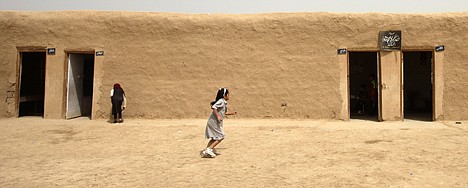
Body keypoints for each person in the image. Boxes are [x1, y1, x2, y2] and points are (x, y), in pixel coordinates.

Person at [201, 88, 237, 158]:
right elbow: (214, 107)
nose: (229, 96)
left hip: (215, 122)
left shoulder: (223, 102)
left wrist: (232, 113)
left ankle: (207, 150)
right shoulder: (221, 101)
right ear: (224, 95)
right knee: (221, 136)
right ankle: (209, 149)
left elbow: (224, 112)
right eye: (228, 94)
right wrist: (218, 116)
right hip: (214, 122)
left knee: (215, 137)